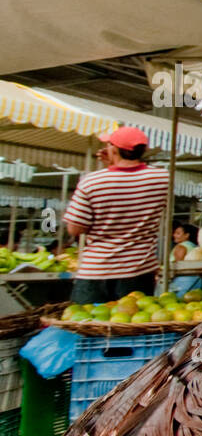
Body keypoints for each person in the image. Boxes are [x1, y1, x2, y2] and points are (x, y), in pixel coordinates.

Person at [64, 126, 170, 304]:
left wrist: (110, 167)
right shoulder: (162, 178)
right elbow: (128, 182)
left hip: (96, 271)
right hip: (139, 271)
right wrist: (113, 165)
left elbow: (75, 228)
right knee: (132, 325)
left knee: (87, 324)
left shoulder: (91, 182)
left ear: (113, 149)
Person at [168, 222, 202, 296]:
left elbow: (178, 265)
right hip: (196, 280)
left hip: (182, 281)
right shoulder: (194, 247)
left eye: (178, 233)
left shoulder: (180, 247)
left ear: (187, 235)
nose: (174, 235)